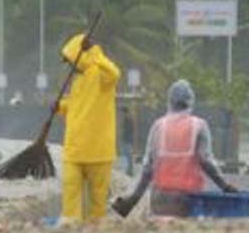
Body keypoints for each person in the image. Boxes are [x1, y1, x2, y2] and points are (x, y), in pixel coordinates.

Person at [113, 80, 238, 218]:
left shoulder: (158, 126)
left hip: (159, 199)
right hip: (188, 199)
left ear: (169, 101)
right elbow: (205, 160)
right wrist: (225, 186)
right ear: (191, 101)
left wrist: (131, 201)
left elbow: (148, 169)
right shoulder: (199, 126)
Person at [56, 33, 121, 222]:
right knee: (70, 189)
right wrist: (60, 106)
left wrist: (93, 52)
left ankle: (95, 232)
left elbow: (115, 73)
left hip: (99, 151)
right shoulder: (78, 81)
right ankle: (70, 224)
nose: (70, 66)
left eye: (70, 61)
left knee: (98, 202)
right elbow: (76, 106)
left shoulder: (101, 76)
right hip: (74, 149)